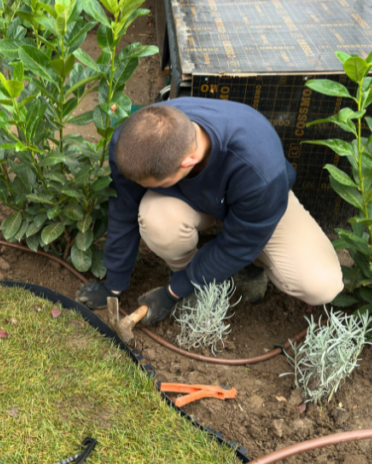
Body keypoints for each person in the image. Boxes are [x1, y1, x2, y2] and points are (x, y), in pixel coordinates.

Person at [75, 98, 344, 325]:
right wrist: (113, 286)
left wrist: (171, 293)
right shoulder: (133, 141)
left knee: (321, 284)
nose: (142, 187)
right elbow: (124, 209)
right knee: (157, 220)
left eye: (153, 184)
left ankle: (247, 268)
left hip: (256, 201)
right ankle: (192, 275)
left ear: (188, 162)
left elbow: (239, 244)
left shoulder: (259, 169)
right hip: (194, 199)